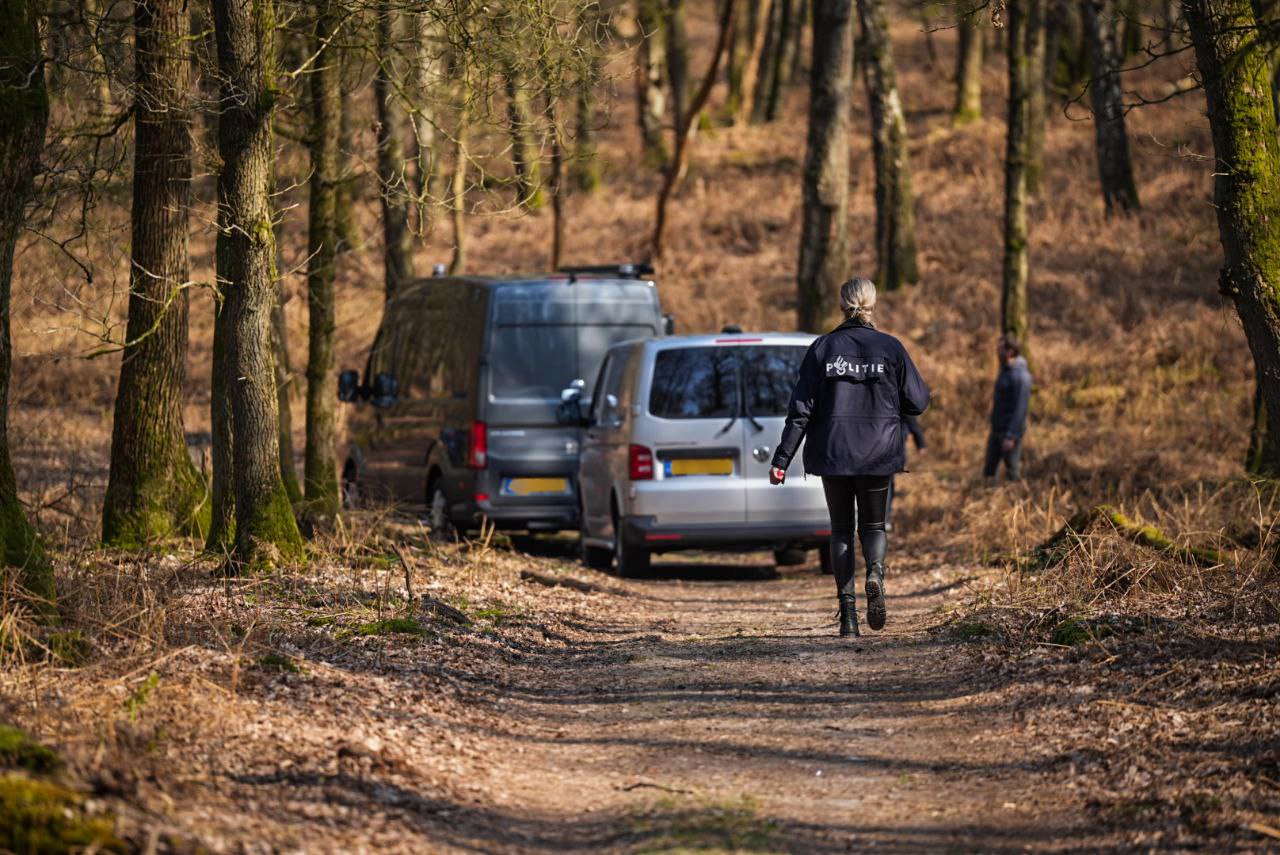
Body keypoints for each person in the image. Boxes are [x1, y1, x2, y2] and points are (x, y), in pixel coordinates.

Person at [769, 278, 929, 638]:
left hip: (835, 453)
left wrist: (782, 459)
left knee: (840, 529)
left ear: (842, 304)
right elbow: (917, 401)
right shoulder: (890, 348)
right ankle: (875, 571)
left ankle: (849, 618)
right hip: (878, 452)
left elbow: (801, 410)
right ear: (872, 303)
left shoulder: (823, 348)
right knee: (872, 526)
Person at [984, 336, 1032, 482]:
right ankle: (988, 496)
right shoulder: (1005, 370)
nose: (997, 352)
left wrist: (1011, 436)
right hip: (997, 429)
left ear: (1009, 351)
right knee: (989, 471)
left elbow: (1020, 408)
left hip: (1009, 433)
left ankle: (1016, 499)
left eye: (1000, 349)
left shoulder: (1021, 377)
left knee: (1012, 471)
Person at [885, 414, 925, 530]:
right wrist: (920, 442)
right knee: (886, 481)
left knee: (886, 481)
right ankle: (884, 516)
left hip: (891, 440)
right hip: (893, 440)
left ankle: (884, 516)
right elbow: (912, 412)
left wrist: (920, 441)